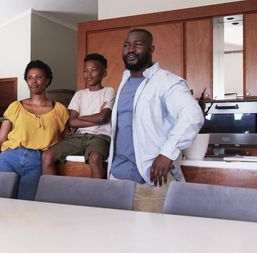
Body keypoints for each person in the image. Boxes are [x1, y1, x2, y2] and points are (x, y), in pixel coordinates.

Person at [108, 28, 204, 212]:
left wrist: (167, 153)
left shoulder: (167, 81)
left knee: (153, 240)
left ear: (151, 49)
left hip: (150, 182)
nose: (130, 50)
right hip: (117, 180)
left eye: (138, 45)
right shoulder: (124, 82)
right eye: (127, 45)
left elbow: (192, 114)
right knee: (117, 239)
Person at [0, 60, 69, 200]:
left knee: (27, 207)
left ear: (47, 80)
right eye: (29, 78)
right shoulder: (15, 107)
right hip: (9, 158)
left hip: (36, 162)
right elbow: (0, 140)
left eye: (38, 77)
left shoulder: (60, 110)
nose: (33, 81)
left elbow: (66, 142)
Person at [42, 53, 115, 179]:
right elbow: (72, 122)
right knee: (47, 156)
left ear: (104, 73)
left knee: (95, 157)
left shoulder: (109, 91)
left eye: (94, 70)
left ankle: (98, 198)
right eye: (85, 70)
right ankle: (53, 194)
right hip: (78, 137)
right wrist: (97, 117)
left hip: (100, 137)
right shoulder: (79, 94)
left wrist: (83, 118)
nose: (89, 74)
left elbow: (103, 118)